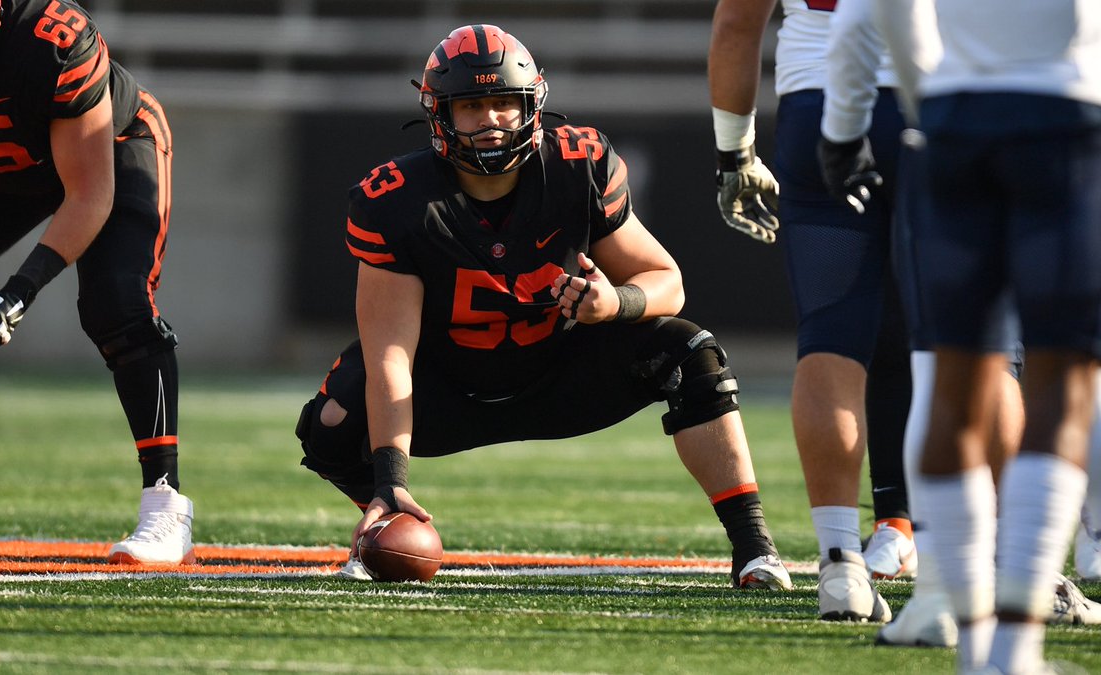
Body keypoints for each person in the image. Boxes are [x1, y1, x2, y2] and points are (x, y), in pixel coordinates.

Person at [295, 24, 791, 590]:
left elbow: (667, 282)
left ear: (531, 103)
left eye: (504, 102)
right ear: (440, 113)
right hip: (450, 389)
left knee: (689, 352)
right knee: (331, 423)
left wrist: (615, 303)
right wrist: (388, 478)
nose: (491, 119)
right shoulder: (397, 199)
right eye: (473, 105)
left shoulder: (577, 165)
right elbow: (390, 355)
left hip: (560, 377)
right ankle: (388, 521)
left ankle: (755, 551)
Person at [818, 0, 1101, 649]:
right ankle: (1013, 647)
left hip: (952, 120)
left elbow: (866, 14)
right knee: (1059, 381)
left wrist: (853, 126)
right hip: (1066, 114)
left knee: (950, 376)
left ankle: (962, 626)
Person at [0, 0, 192, 565]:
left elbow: (88, 194)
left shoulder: (53, 40)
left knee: (118, 306)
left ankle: (165, 506)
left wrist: (19, 291)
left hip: (106, 151)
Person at [708, 0, 913, 621]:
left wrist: (734, 153)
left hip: (818, 100)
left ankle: (840, 563)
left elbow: (737, 23)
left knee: (831, 337)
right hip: (939, 96)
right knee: (975, 345)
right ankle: (1012, 566)